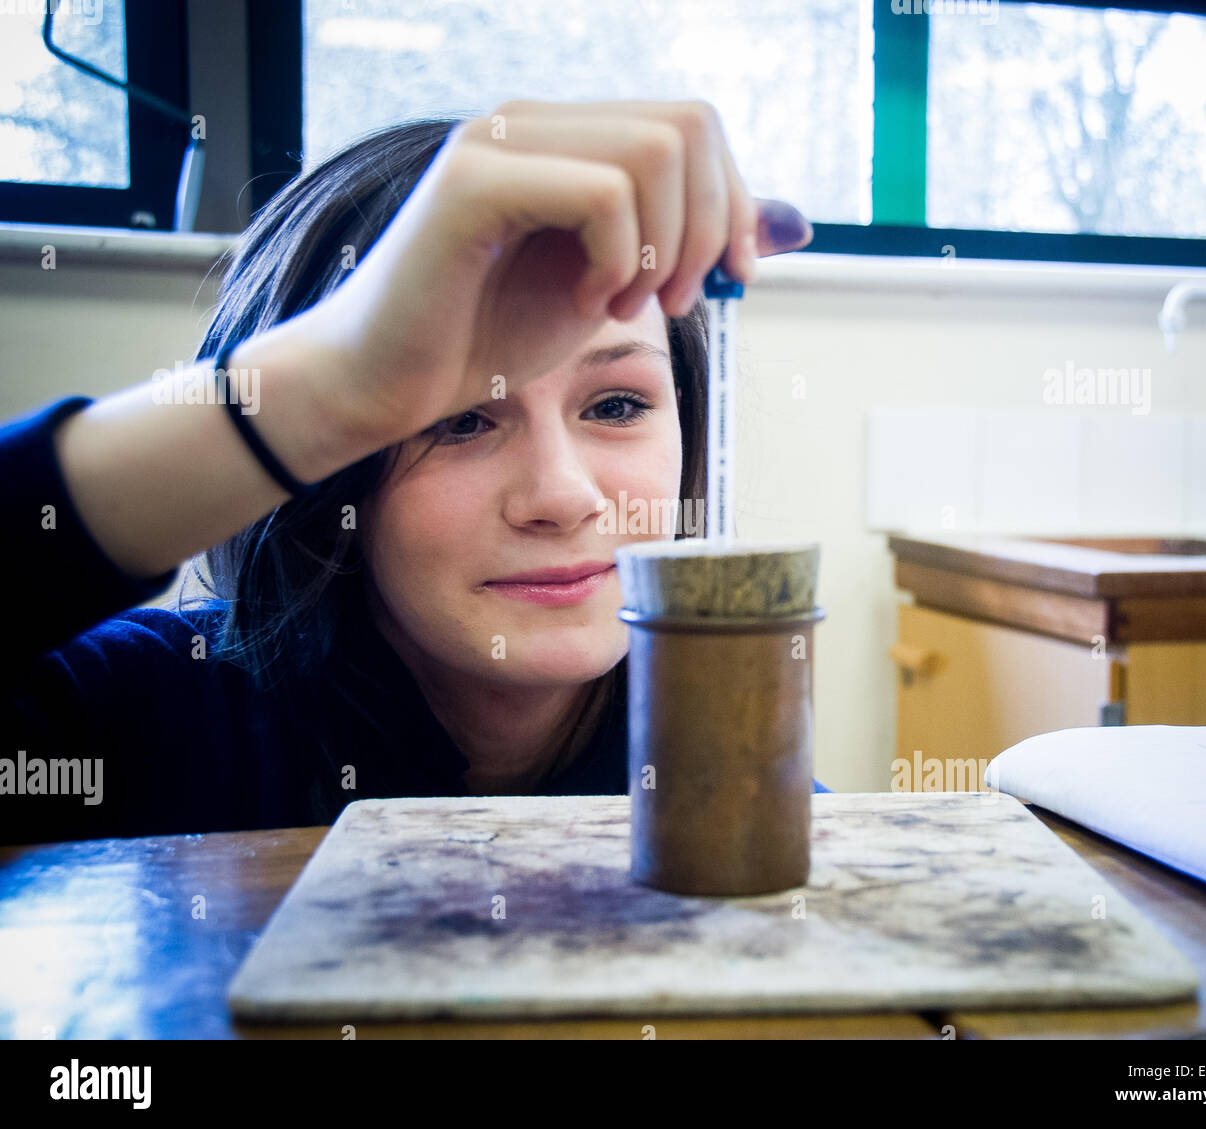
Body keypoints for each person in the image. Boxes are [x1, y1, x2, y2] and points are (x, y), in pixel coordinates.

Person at [0, 100, 820, 847]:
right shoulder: (138, 718)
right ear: (326, 483)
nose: (564, 496)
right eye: (460, 420)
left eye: (614, 405)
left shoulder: (735, 756)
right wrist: (310, 391)